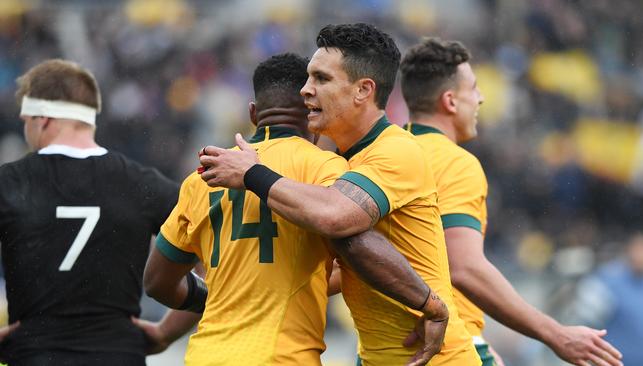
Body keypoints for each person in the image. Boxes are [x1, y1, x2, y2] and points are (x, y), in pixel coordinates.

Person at [199, 24, 480, 366]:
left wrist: (250, 173)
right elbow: (349, 265)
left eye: (321, 79)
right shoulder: (344, 160)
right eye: (308, 78)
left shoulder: (395, 150)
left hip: (438, 359)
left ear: (363, 90)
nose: (305, 90)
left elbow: (336, 218)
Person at [144, 53, 447, 366]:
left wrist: (222, 297)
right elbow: (353, 242)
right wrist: (427, 302)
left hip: (204, 356)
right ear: (312, 110)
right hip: (282, 357)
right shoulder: (325, 169)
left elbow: (157, 282)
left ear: (252, 113)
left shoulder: (204, 177)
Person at [399, 37, 623, 366]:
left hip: (383, 348)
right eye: (473, 89)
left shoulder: (383, 158)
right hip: (446, 351)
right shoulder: (455, 163)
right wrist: (554, 333)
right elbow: (465, 269)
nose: (481, 97)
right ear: (450, 101)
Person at [0, 59, 181, 365]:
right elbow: (214, 255)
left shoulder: (9, 182)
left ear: (42, 118)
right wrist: (166, 331)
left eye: (26, 120)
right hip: (118, 354)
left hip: (36, 355)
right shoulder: (141, 183)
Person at [569, 232, 643, 366]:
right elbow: (584, 322)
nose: (641, 255)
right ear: (628, 250)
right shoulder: (607, 280)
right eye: (638, 249)